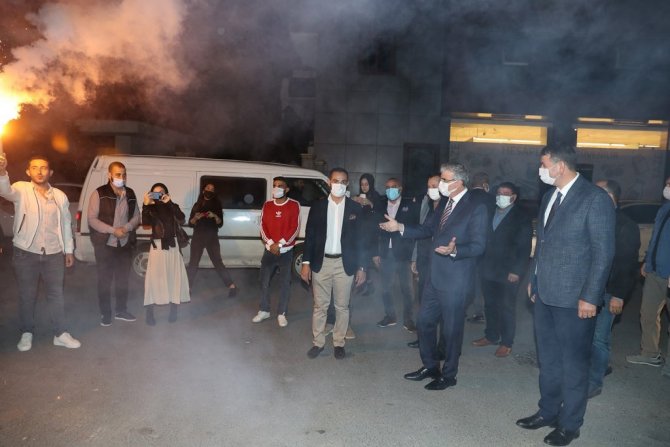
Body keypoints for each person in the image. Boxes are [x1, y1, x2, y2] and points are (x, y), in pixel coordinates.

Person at [517, 145, 614, 447]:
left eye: (544, 164)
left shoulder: (594, 198)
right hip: (545, 293)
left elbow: (603, 253)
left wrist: (591, 296)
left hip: (575, 299)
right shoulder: (549, 197)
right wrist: (533, 279)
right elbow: (542, 244)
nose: (540, 170)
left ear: (559, 166)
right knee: (548, 360)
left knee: (573, 365)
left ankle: (570, 424)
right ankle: (547, 411)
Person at [380, 163, 488, 390]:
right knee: (424, 322)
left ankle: (449, 375)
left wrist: (455, 251)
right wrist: (400, 227)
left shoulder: (475, 206)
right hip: (434, 276)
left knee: (451, 330)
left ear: (458, 183)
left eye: (445, 180)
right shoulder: (445, 203)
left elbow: (479, 245)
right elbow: (427, 229)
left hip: (456, 280)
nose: (441, 184)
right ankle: (430, 366)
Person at [0, 154, 81, 351]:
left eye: (43, 167)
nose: (39, 171)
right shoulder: (21, 189)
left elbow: (66, 224)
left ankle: (60, 333)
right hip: (25, 253)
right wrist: (2, 172)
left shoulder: (59, 196)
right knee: (27, 295)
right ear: (28, 171)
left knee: (56, 295)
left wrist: (69, 250)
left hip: (54, 254)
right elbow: (5, 191)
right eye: (34, 167)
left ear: (50, 172)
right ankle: (26, 332)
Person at [301, 167, 367, 360]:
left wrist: (362, 267)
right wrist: (306, 263)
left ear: (347, 184)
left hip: (344, 264)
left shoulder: (355, 208)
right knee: (320, 306)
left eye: (343, 181)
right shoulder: (318, 206)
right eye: (335, 181)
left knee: (342, 306)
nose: (339, 184)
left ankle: (339, 343)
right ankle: (318, 343)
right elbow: (310, 236)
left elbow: (360, 240)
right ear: (329, 183)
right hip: (321, 263)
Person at [588, 179, 640, 398]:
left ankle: (594, 382)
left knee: (598, 337)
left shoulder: (625, 225)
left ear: (609, 196)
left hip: (609, 290)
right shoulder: (596, 218)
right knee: (594, 334)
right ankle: (599, 367)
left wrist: (618, 296)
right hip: (592, 288)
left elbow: (627, 264)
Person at [472, 182, 532, 357]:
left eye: (505, 193)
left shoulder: (521, 216)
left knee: (506, 306)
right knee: (490, 304)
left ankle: (506, 342)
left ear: (513, 197)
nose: (501, 196)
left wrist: (517, 270)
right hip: (487, 267)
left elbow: (524, 247)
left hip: (508, 271)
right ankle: (491, 335)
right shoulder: (490, 211)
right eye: (499, 193)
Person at [626, 175, 670, 378]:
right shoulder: (664, 209)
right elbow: (656, 239)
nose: (667, 187)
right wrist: (647, 261)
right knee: (648, 314)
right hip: (655, 271)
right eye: (667, 184)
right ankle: (650, 354)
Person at [88, 161, 141, 326]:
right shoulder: (99, 193)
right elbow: (92, 220)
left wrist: (126, 228)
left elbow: (137, 216)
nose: (121, 177)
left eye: (124, 174)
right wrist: (112, 230)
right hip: (105, 245)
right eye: (118, 174)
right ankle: (105, 313)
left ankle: (121, 310)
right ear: (109, 175)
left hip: (124, 244)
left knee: (123, 280)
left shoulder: (130, 193)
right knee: (104, 281)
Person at [253, 176, 301, 327]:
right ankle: (264, 310)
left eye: (280, 185)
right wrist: (270, 243)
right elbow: (262, 226)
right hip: (269, 250)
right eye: (275, 185)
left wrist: (279, 244)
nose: (276, 188)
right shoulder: (267, 205)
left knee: (284, 283)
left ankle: (282, 313)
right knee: (264, 281)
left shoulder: (294, 205)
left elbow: (295, 228)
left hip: (285, 251)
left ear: (287, 189)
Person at [374, 177, 419, 331]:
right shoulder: (381, 205)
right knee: (386, 288)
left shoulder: (410, 205)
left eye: (393, 187)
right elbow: (374, 229)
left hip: (404, 254)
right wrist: (376, 252)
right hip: (386, 253)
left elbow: (415, 228)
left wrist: (414, 255)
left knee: (407, 289)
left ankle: (409, 319)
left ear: (400, 189)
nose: (390, 190)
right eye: (387, 187)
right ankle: (390, 316)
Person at [142, 183, 190, 325]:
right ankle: (149, 314)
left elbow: (181, 218)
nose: (159, 194)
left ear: (166, 193)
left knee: (173, 278)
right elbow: (145, 223)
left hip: (173, 246)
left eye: (161, 192)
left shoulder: (171, 205)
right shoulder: (150, 207)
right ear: (151, 194)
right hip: (157, 247)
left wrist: (170, 203)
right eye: (155, 192)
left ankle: (173, 311)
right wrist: (145, 205)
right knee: (153, 280)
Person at [408, 174, 442, 348]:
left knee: (440, 306)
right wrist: (415, 258)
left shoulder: (448, 207)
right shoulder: (427, 205)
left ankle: (442, 344)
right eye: (429, 186)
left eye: (435, 186)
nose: (431, 189)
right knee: (422, 302)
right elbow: (420, 232)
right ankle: (423, 338)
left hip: (441, 263)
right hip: (424, 260)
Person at [186, 183, 238, 297]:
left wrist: (214, 216)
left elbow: (220, 223)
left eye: (212, 189)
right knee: (193, 263)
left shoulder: (217, 205)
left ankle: (231, 286)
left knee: (217, 262)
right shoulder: (197, 205)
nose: (210, 190)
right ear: (203, 190)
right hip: (198, 236)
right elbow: (190, 223)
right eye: (208, 188)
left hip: (212, 237)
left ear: (214, 192)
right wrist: (196, 217)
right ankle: (187, 288)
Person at [464, 171, 495, 324]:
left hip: (465, 244)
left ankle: (460, 308)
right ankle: (479, 311)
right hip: (486, 246)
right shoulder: (492, 199)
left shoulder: (465, 197)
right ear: (485, 184)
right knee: (479, 280)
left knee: (464, 278)